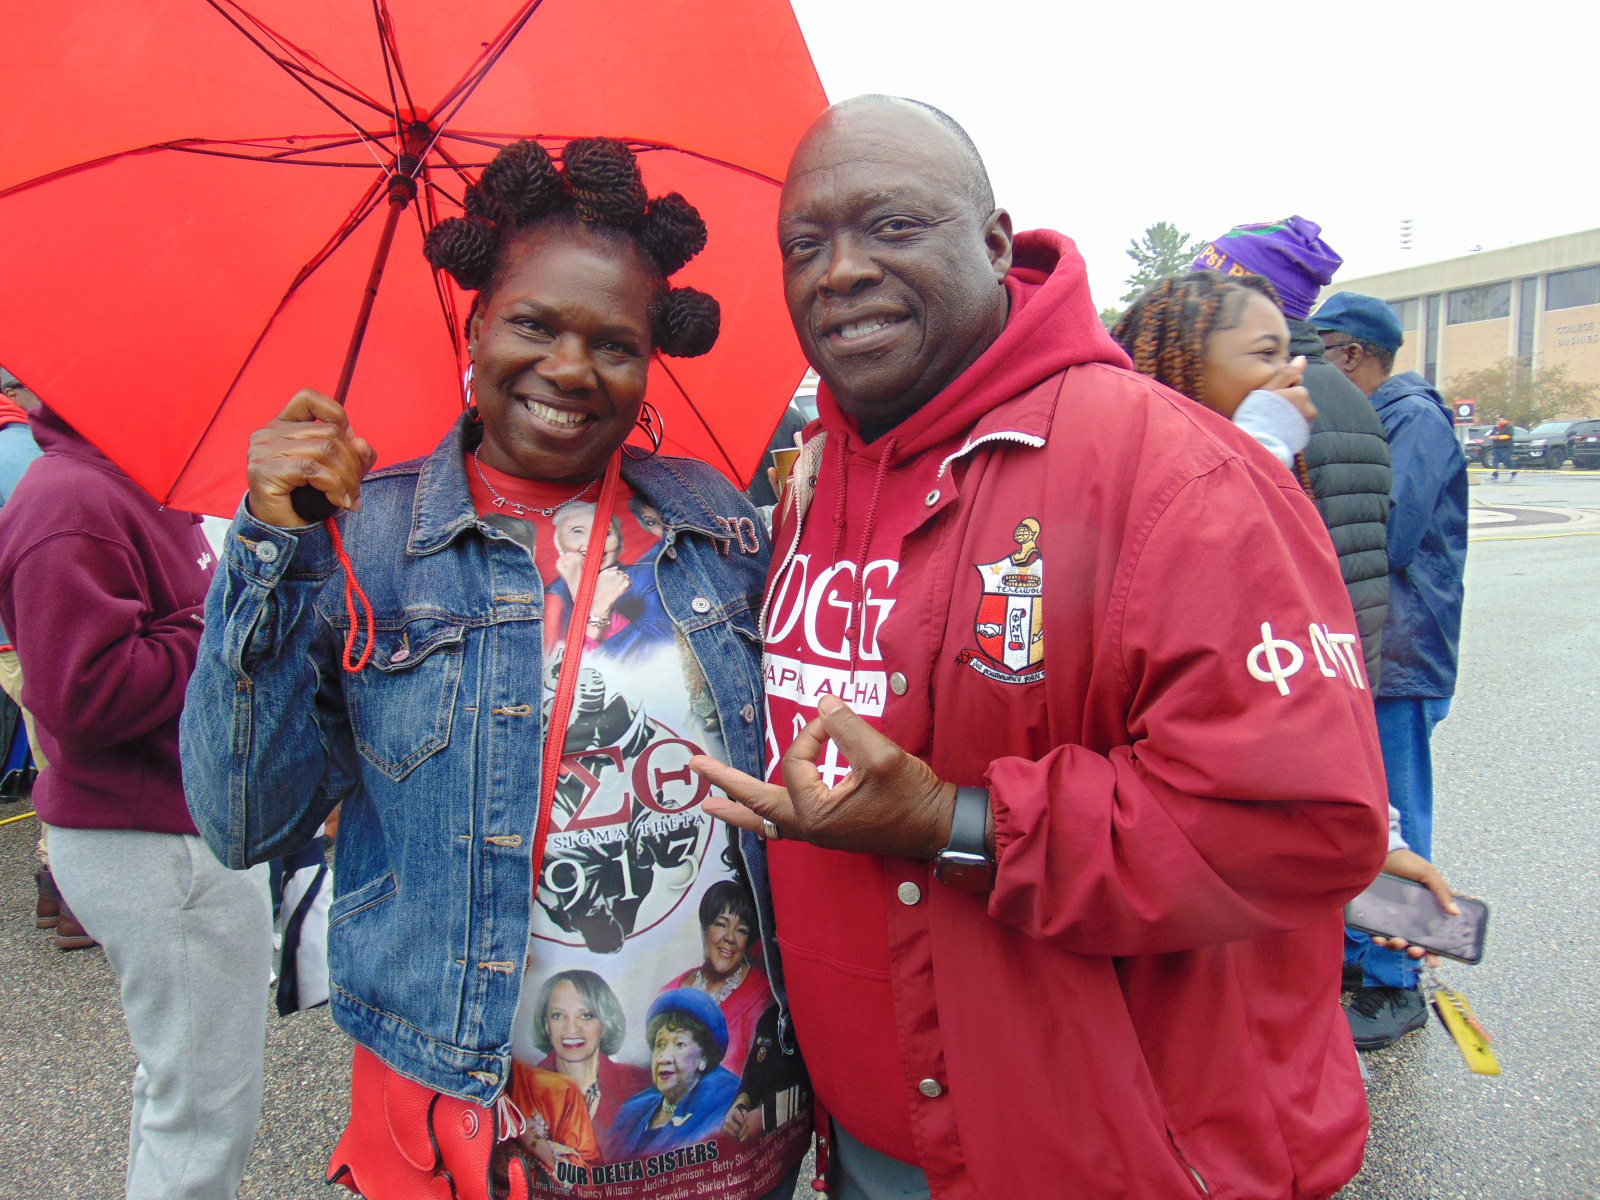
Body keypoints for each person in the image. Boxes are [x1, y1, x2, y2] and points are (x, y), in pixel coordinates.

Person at [690, 96, 1389, 1200]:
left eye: (892, 226)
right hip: (866, 1141)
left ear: (995, 243)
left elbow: (1302, 822)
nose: (841, 271)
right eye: (805, 244)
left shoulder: (1173, 470)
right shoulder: (814, 479)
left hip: (1097, 1155)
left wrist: (953, 823)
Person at [182, 138, 808, 1200]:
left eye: (614, 344)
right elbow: (244, 821)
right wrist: (270, 546)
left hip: (721, 1121)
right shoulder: (363, 542)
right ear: (473, 326)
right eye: (533, 324)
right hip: (477, 1126)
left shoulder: (712, 521)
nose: (570, 368)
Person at [0, 400, 273, 1199]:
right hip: (153, 837)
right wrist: (221, 622)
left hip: (175, 824)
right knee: (202, 1113)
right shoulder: (73, 500)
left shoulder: (134, 485)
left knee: (187, 1092)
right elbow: (81, 694)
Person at [1312, 291, 1470, 1048]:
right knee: (1360, 810)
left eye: (1322, 353)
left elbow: (1388, 531)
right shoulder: (1381, 417)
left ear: (1351, 354)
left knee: (1394, 814)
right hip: (1375, 648)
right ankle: (1360, 952)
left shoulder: (1413, 420)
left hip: (1401, 656)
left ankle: (1393, 981)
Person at [1190, 220, 1393, 685]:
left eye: (1207, 290)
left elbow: (1225, 546)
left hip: (1283, 665)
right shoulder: (1350, 395)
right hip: (1341, 656)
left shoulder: (1265, 399)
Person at [1112, 272, 1319, 475]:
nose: (1292, 373)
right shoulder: (1132, 470)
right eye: (1267, 352)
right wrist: (1263, 444)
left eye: (1287, 356)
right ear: (1186, 362)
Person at [605, 989, 743, 1160]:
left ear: (704, 1057)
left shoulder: (725, 1104)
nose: (664, 1058)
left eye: (679, 1044)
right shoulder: (631, 1112)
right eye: (660, 1044)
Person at [660, 879, 774, 1077]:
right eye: (721, 924)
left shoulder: (760, 994)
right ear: (704, 929)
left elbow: (760, 1081)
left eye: (741, 930)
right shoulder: (668, 994)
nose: (730, 938)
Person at [520, 969, 650, 1134]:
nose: (571, 1029)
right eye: (558, 1015)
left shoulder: (641, 1085)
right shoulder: (524, 1089)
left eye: (586, 1016)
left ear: (605, 1023)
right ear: (546, 1025)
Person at [1488, 413, 1516, 480]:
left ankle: (1513, 472)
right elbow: (1491, 435)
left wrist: (1497, 437)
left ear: (1503, 419)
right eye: (1496, 420)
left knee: (1506, 461)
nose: (1497, 421)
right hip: (1496, 447)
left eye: (1498, 419)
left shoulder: (1509, 426)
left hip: (1506, 447)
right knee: (1494, 461)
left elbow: (1508, 436)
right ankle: (1495, 475)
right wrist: (1491, 437)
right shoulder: (1496, 428)